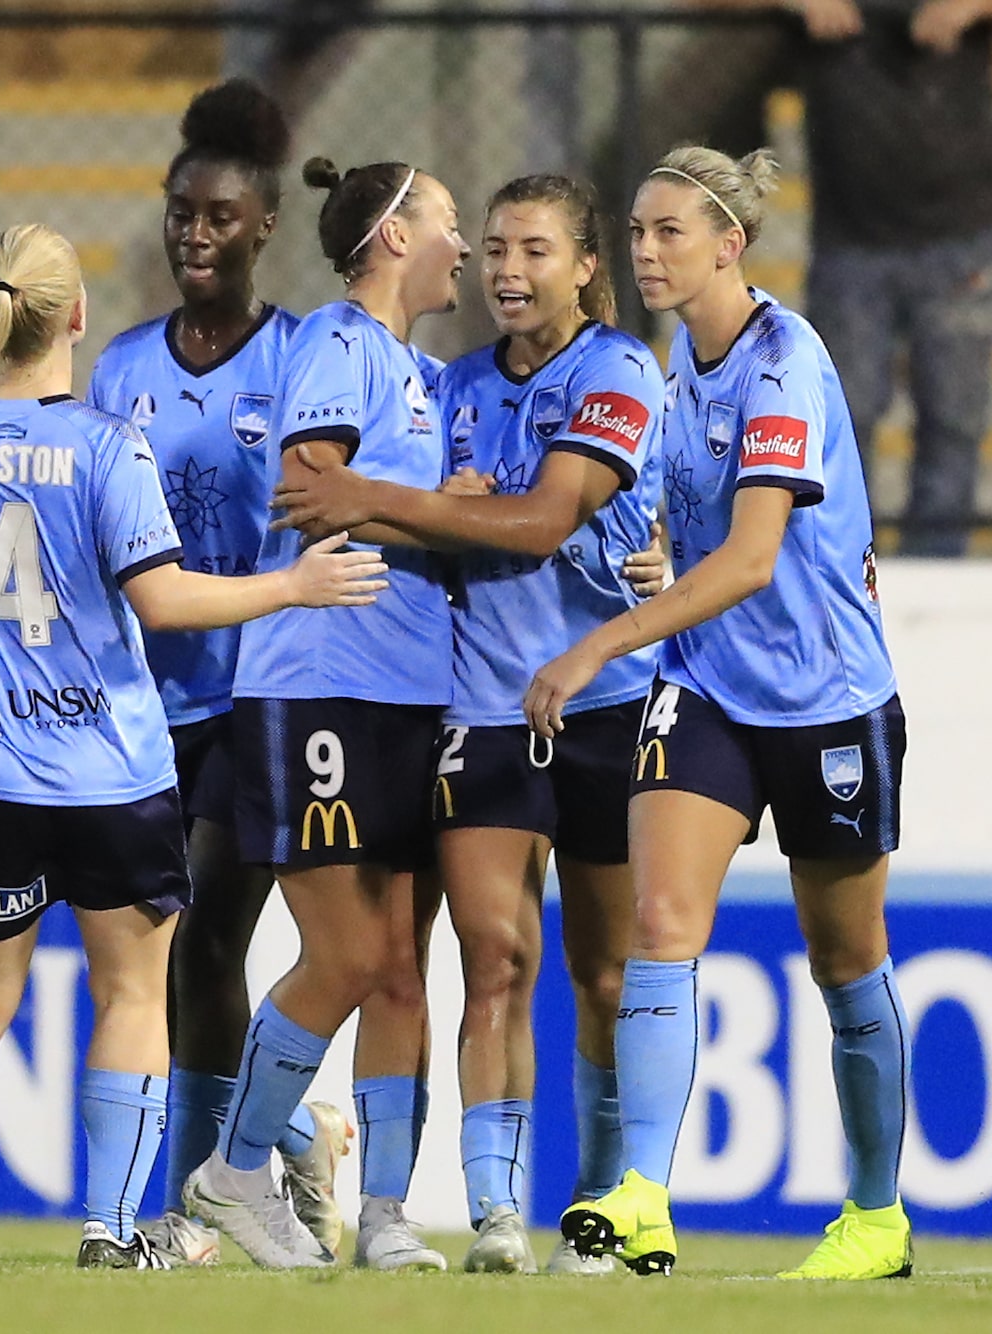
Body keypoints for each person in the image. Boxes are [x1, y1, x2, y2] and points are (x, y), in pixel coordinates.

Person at [0, 223, 386, 1268]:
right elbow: (163, 601)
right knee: (131, 993)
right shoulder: (103, 442)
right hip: (111, 770)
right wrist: (293, 584)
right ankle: (109, 1229)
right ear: (75, 316)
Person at [527, 146, 910, 1281]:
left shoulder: (782, 362)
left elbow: (751, 559)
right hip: (704, 688)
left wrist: (596, 637)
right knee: (659, 925)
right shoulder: (677, 366)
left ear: (726, 245)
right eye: (636, 233)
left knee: (845, 960)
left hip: (826, 698)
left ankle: (876, 1213)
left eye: (667, 234)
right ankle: (640, 1190)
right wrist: (660, 565)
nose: (643, 253)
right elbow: (708, 550)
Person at [273, 174, 666, 1275]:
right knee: (492, 953)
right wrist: (420, 505)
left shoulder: (619, 369)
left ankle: (596, 1206)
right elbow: (431, 519)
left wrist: (378, 500)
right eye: (492, 247)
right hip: (480, 707)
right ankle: (494, 1213)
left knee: (602, 973)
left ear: (585, 267)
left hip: (604, 702)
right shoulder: (444, 384)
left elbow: (538, 521)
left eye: (534, 250)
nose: (505, 270)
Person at [183, 154, 469, 1272]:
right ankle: (235, 1167)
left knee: (400, 961)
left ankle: (387, 1215)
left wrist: (439, 513)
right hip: (318, 678)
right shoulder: (336, 345)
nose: (461, 241)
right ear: (395, 234)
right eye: (448, 220)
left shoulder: (415, 367)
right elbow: (308, 489)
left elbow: (388, 504)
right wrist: (442, 516)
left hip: (404, 683)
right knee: (345, 953)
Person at [84, 78, 349, 1269]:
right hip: (148, 702)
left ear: (262, 228)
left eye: (219, 215)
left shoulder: (298, 360)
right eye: (180, 213)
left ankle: (191, 1214)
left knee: (199, 938)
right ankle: (293, 1125)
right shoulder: (121, 368)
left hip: (260, 698)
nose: (196, 233)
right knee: (168, 941)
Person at [698, 1, 992, 555]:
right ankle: (851, 570)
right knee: (843, 417)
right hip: (852, 241)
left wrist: (972, 6)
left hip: (961, 233)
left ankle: (939, 572)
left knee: (952, 418)